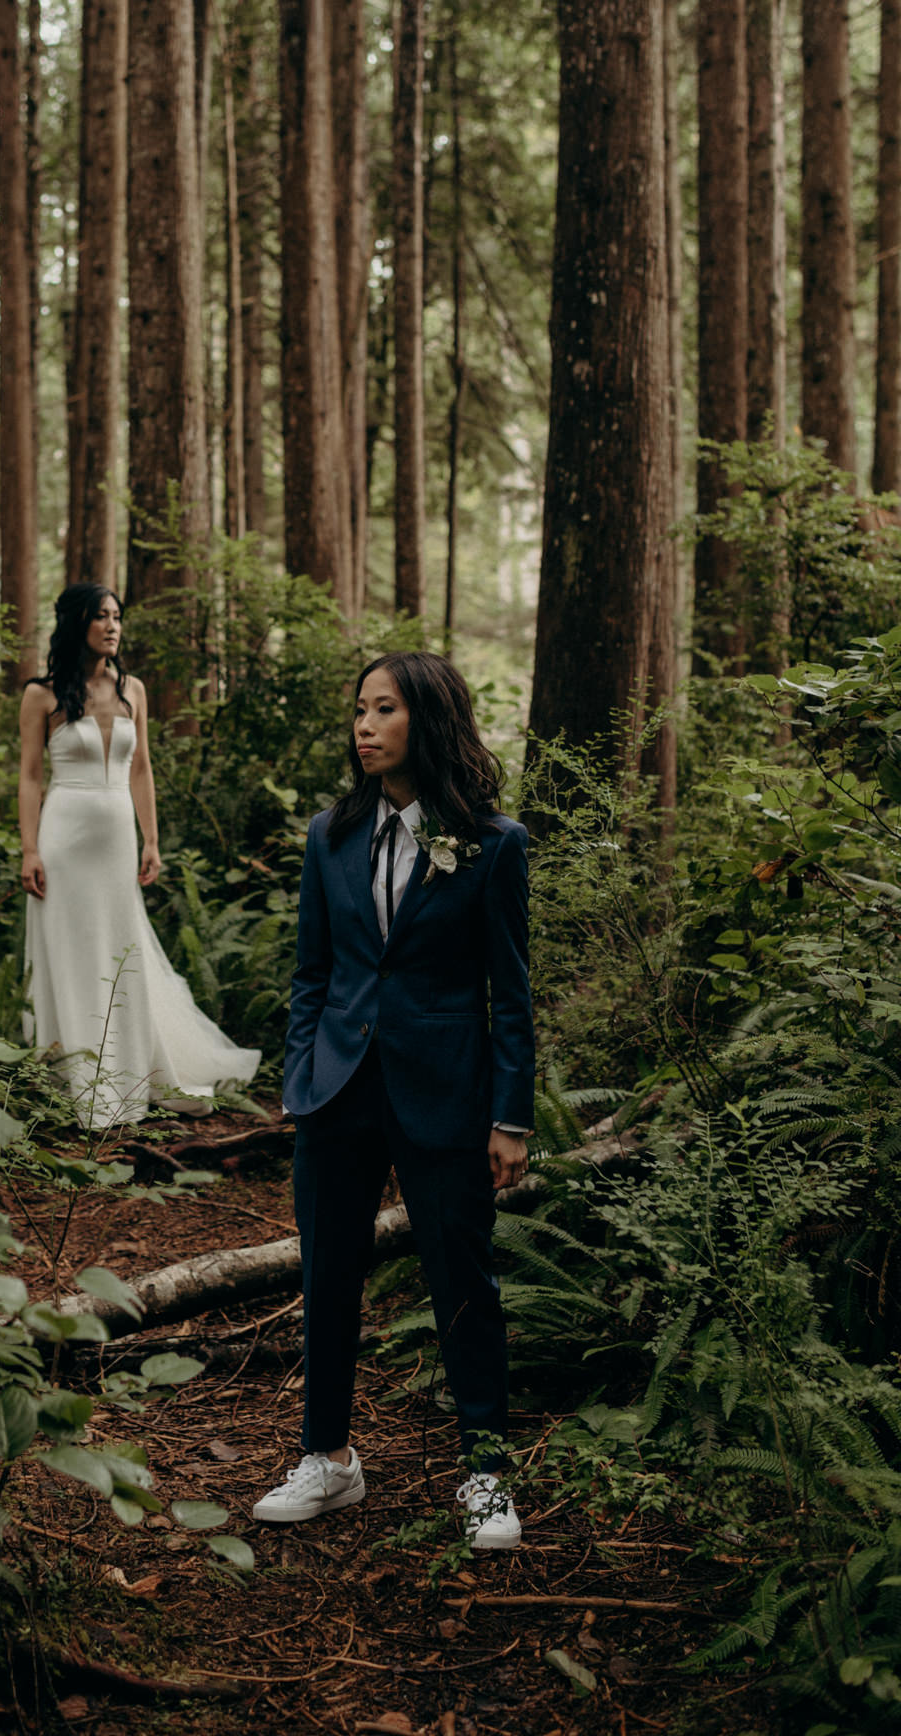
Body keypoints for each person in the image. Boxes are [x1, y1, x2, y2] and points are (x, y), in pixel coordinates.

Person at [252, 651, 534, 1551]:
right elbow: (311, 973)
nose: (363, 727)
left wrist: (510, 1113)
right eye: (359, 710)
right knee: (328, 1274)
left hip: (445, 1090)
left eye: (384, 710)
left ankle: (485, 1474)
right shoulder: (328, 834)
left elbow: (511, 992)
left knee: (462, 1281)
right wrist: (300, 1076)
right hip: (336, 1091)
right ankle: (327, 1459)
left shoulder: (492, 844)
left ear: (430, 720)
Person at [18, 583, 260, 1128]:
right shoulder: (42, 694)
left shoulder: (134, 690)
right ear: (76, 623)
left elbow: (142, 767)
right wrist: (30, 848)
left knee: (119, 947)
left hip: (117, 839)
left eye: (117, 617)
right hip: (63, 837)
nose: (112, 626)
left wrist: (151, 839)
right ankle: (75, 1079)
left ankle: (127, 1074)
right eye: (101, 616)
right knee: (72, 950)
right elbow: (30, 775)